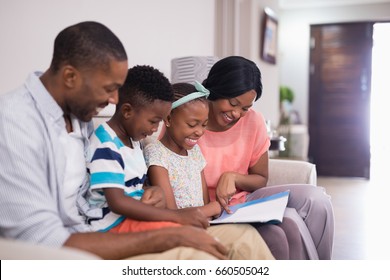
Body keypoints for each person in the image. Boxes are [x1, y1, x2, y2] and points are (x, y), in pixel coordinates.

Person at [0, 21, 274, 260]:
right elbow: (38, 240)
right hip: (72, 248)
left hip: (103, 228)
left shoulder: (77, 113)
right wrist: (167, 235)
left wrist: (146, 193)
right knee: (200, 256)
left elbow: (101, 182)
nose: (114, 101)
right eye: (109, 90)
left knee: (244, 240)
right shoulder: (14, 123)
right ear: (70, 76)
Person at [197, 56, 335, 260]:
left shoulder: (254, 120)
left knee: (318, 200)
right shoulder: (190, 120)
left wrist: (233, 177)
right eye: (233, 103)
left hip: (245, 201)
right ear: (217, 89)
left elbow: (261, 178)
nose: (236, 114)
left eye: (244, 108)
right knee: (289, 220)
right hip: (215, 209)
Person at [80, 66, 209, 232]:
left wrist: (153, 191)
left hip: (132, 220)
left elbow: (132, 188)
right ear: (127, 111)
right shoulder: (106, 144)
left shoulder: (134, 141)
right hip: (110, 225)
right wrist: (175, 216)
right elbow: (117, 202)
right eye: (153, 121)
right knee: (183, 232)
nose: (156, 129)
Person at [144, 82, 222, 219]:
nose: (199, 132)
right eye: (192, 125)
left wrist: (211, 209)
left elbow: (205, 202)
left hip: (205, 224)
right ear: (168, 119)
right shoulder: (156, 154)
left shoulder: (195, 152)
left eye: (204, 125)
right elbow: (171, 214)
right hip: (182, 231)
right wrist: (213, 208)